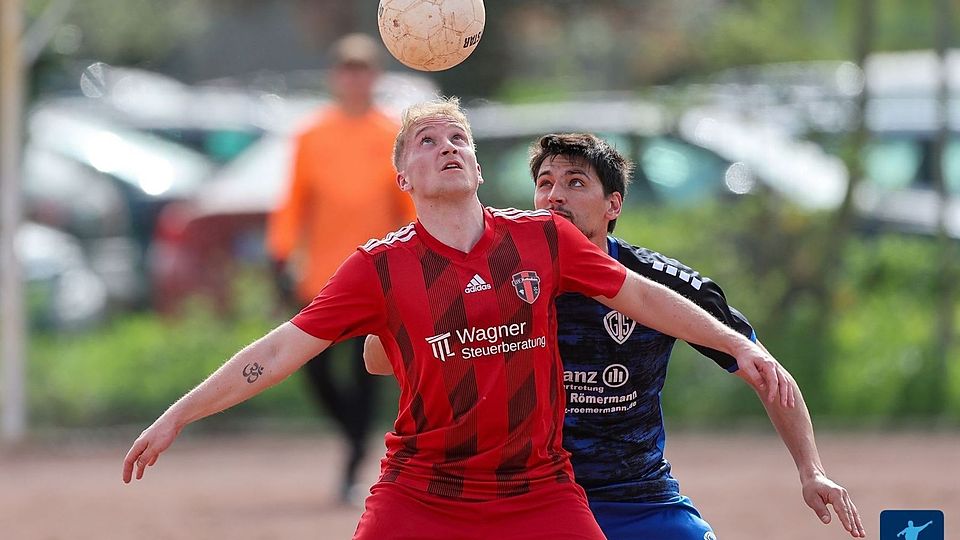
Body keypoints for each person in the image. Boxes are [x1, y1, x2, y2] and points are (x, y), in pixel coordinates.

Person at [123, 98, 794, 540]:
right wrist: (179, 412)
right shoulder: (377, 269)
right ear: (404, 180)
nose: (445, 146)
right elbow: (276, 353)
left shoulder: (543, 240)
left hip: (540, 492)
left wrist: (737, 344)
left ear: (475, 167)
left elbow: (644, 298)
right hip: (423, 494)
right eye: (424, 141)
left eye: (457, 138)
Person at [365, 133, 866, 538]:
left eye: (576, 183)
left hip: (641, 496)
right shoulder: (502, 274)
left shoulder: (662, 284)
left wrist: (810, 468)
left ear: (613, 204)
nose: (554, 196)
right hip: (529, 496)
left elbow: (765, 371)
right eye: (545, 182)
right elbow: (379, 359)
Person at [265, 33, 415, 503]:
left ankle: (352, 464)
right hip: (323, 277)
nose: (355, 79)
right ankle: (354, 435)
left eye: (363, 69)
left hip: (379, 277)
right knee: (314, 371)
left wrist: (418, 259)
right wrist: (281, 254)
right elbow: (294, 203)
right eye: (346, 70)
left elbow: (407, 205)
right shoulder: (312, 136)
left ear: (374, 77)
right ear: (336, 78)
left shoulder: (391, 134)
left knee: (367, 370)